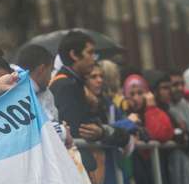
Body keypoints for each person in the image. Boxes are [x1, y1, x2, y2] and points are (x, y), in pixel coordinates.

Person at [51, 30, 130, 173]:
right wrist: (101, 131)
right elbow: (80, 130)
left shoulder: (74, 83)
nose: (94, 59)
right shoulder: (66, 85)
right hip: (80, 169)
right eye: (90, 52)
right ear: (74, 55)